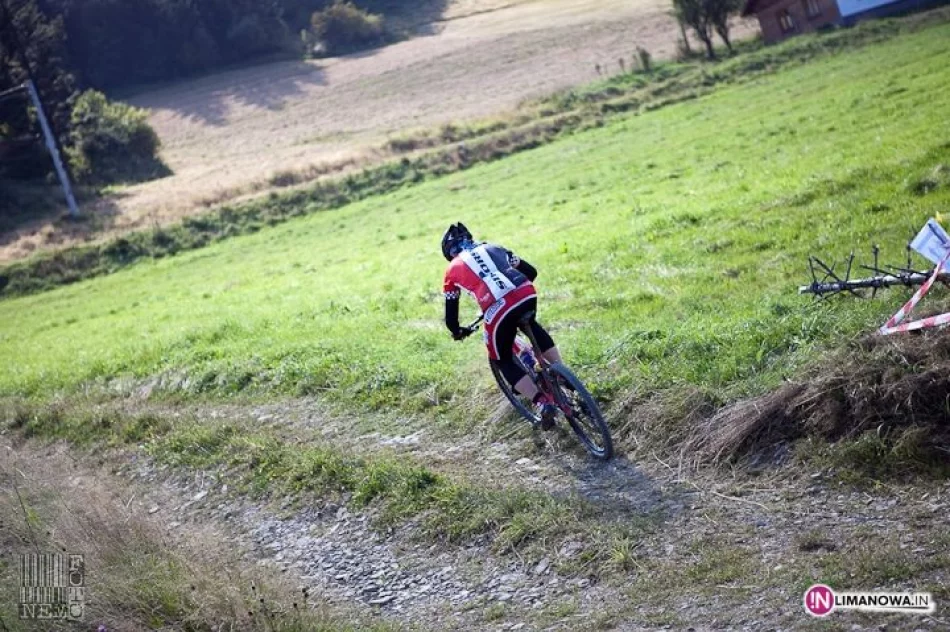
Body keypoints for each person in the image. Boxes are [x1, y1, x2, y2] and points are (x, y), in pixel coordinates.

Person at [441, 222, 562, 428]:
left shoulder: (452, 271)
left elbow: (451, 318)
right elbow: (530, 271)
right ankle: (562, 373)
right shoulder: (493, 247)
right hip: (525, 291)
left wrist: (458, 331)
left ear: (449, 253)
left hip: (498, 307)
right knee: (530, 323)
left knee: (501, 358)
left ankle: (541, 403)